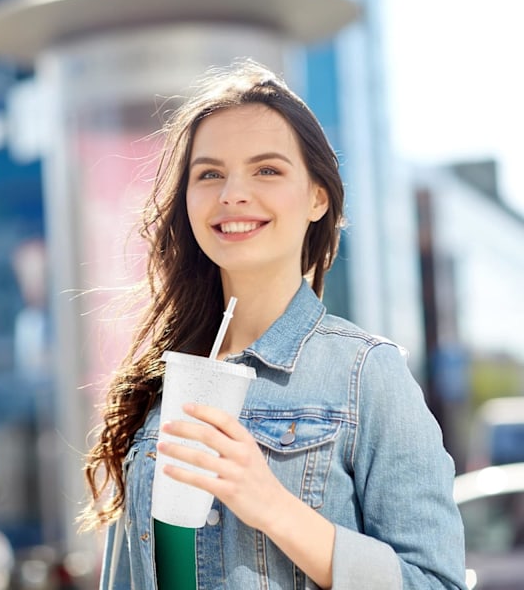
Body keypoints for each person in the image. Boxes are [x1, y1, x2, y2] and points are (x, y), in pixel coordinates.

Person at [82, 58, 467, 589]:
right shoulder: (161, 379)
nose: (232, 193)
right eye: (209, 173)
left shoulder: (365, 374)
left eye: (267, 169)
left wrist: (272, 506)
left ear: (317, 197)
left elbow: (436, 582)